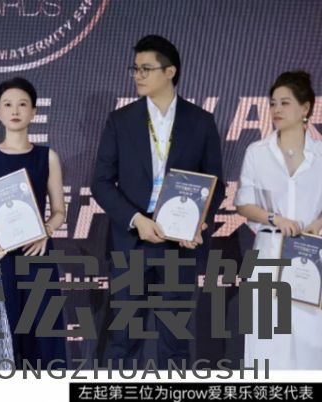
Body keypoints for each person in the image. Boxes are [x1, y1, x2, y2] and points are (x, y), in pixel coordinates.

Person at [91, 35, 225, 369]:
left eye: (146, 69)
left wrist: (198, 222)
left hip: (179, 244)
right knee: (123, 341)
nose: (137, 75)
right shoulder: (120, 120)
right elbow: (101, 183)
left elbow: (216, 184)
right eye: (135, 68)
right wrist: (136, 219)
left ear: (170, 72)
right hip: (132, 241)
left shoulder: (201, 121)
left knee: (174, 342)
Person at [0, 77, 67, 368]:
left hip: (37, 256)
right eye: (7, 104)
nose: (15, 110)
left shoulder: (47, 157)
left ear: (34, 111)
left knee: (43, 335)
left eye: (22, 104)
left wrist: (46, 231)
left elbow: (59, 211)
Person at [235, 70, 322, 368]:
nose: (276, 110)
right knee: (265, 343)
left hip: (311, 259)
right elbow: (243, 203)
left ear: (305, 108)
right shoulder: (257, 152)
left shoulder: (320, 154)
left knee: (311, 343)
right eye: (273, 103)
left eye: (285, 103)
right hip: (268, 257)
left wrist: (318, 224)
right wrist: (274, 218)